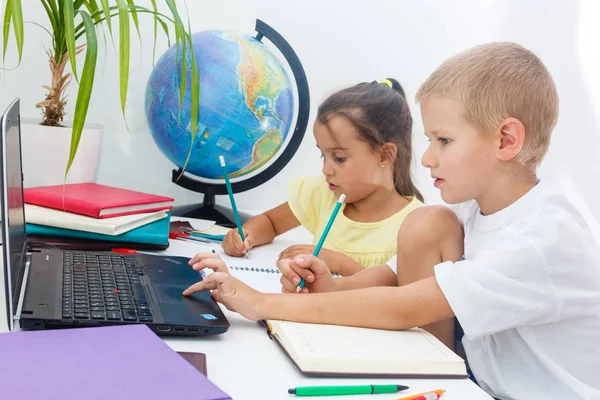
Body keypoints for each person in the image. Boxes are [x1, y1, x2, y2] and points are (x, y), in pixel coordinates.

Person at [184, 42, 600, 399]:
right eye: (430, 140)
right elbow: (391, 277)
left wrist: (261, 305)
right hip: (480, 378)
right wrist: (334, 284)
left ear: (506, 140)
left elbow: (405, 306)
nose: (426, 158)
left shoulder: (541, 239)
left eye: (444, 140)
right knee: (427, 223)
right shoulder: (468, 210)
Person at [222, 78, 423, 275]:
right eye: (323, 154)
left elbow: (401, 297)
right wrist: (246, 236)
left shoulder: (416, 226)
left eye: (339, 158)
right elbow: (271, 222)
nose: (326, 169)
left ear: (385, 155)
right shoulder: (323, 194)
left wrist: (340, 264)